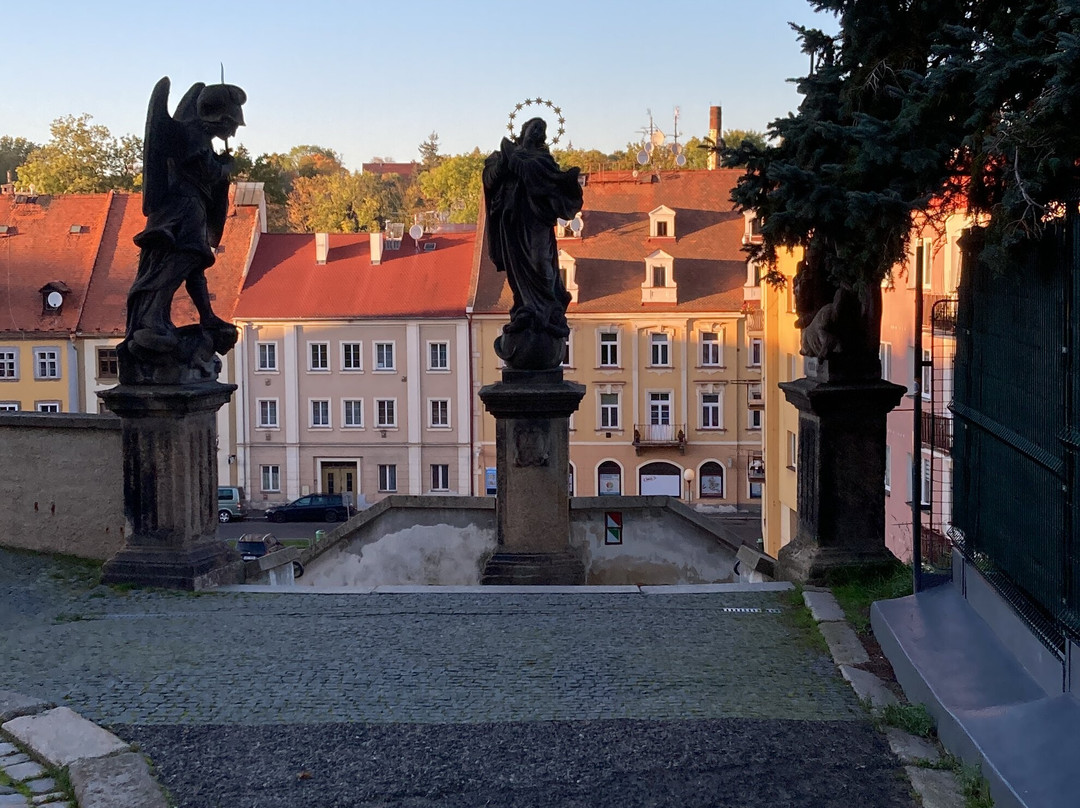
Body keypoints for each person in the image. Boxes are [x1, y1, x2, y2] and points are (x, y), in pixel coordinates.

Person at [123, 77, 246, 362]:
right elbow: (207, 170)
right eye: (230, 126)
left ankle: (205, 316)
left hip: (192, 207)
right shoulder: (191, 134)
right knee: (181, 261)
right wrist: (226, 165)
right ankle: (151, 317)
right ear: (216, 117)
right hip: (182, 209)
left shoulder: (198, 136)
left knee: (194, 263)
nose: (231, 133)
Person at [483, 118, 583, 369]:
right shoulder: (505, 155)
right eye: (534, 127)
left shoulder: (543, 160)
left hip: (537, 223)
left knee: (543, 267)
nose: (538, 132)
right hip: (513, 225)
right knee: (518, 276)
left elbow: (551, 183)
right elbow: (489, 180)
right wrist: (505, 162)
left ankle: (545, 311)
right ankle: (526, 309)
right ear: (524, 130)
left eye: (542, 130)